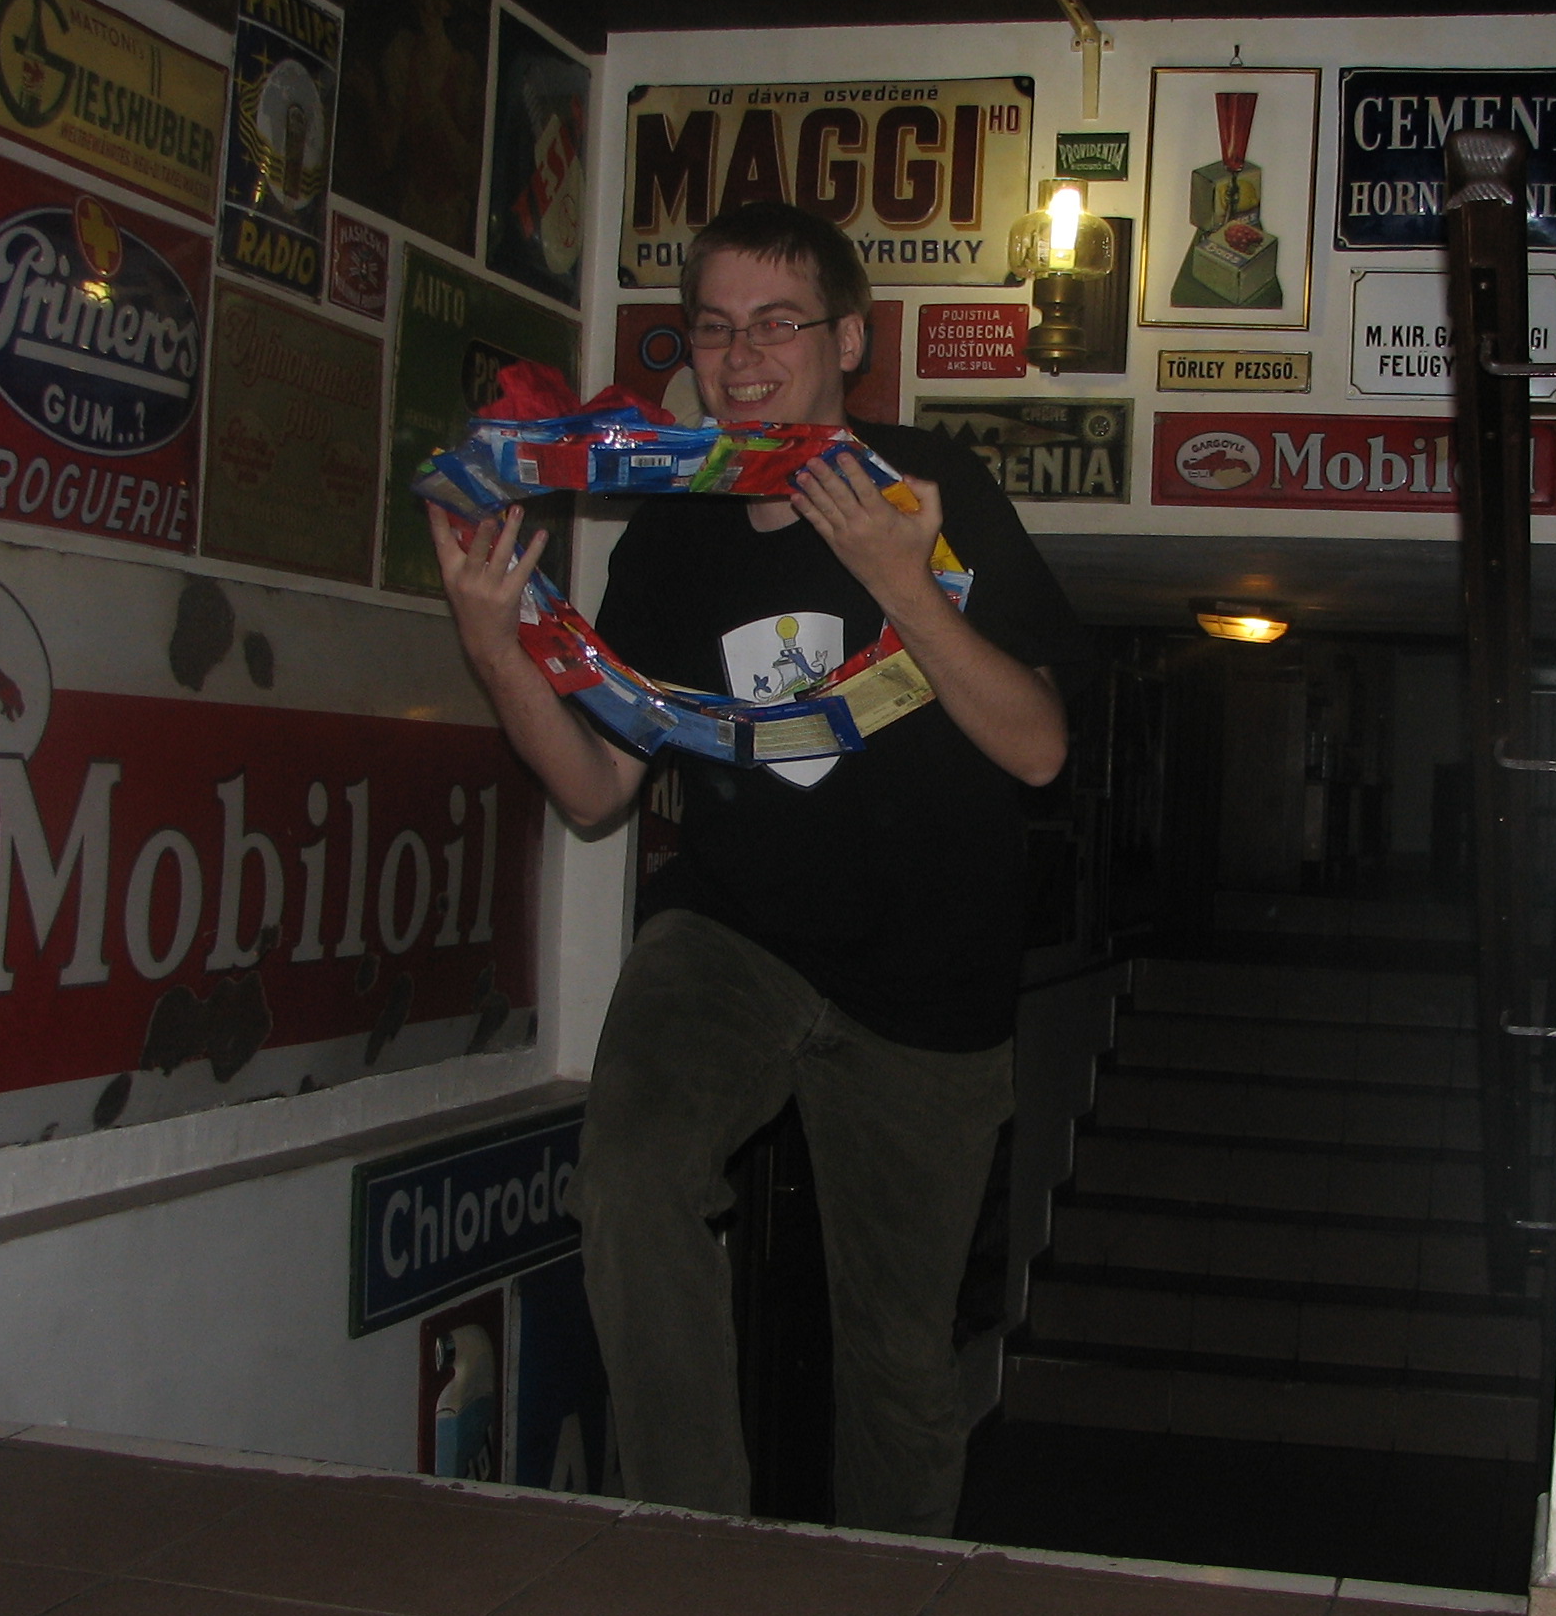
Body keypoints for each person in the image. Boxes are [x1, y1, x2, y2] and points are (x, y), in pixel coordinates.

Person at [432, 201, 1091, 1537]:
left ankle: (877, 1614)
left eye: (778, 325)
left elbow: (1036, 750)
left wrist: (902, 581)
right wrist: (495, 644)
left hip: (928, 979)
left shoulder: (937, 489)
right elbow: (598, 789)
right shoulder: (672, 534)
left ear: (848, 340)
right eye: (714, 328)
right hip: (737, 934)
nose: (740, 359)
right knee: (629, 1175)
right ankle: (689, 1552)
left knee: (898, 1362)